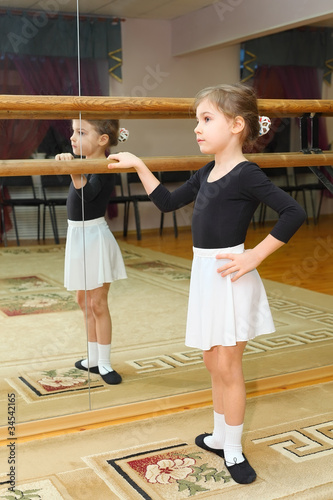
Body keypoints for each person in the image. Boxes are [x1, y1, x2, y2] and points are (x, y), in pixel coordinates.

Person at [107, 83, 306, 483]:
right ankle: (219, 435)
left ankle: (233, 450)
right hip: (204, 275)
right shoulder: (206, 171)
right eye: (196, 120)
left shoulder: (247, 174)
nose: (197, 128)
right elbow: (166, 202)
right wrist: (138, 164)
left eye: (206, 119)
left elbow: (293, 212)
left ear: (236, 125)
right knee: (211, 360)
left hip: (231, 276)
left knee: (229, 365)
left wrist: (254, 255)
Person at [56, 119, 128, 385]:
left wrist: (73, 170)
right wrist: (75, 167)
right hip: (77, 236)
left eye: (81, 132)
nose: (73, 138)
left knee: (98, 303)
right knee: (83, 301)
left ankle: (105, 363)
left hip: (95, 237)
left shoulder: (106, 166)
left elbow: (87, 195)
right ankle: (93, 357)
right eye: (73, 132)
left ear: (102, 140)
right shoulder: (85, 163)